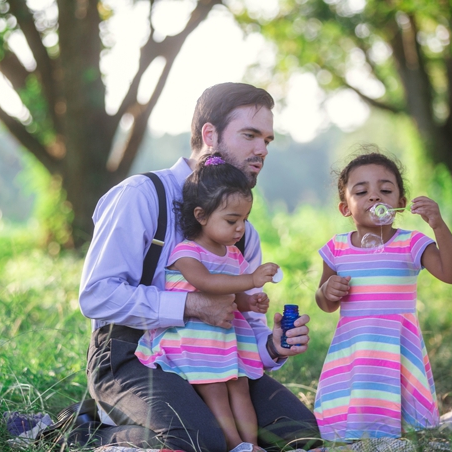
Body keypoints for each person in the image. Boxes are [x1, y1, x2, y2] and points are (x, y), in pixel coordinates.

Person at [77, 82, 316, 452]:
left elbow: (245, 327)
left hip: (220, 358)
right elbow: (96, 295)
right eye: (249, 135)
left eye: (267, 139)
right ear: (210, 134)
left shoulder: (241, 231)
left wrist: (274, 346)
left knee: (299, 433)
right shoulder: (141, 196)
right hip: (134, 355)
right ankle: (83, 432)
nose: (261, 150)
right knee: (200, 441)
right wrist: (189, 306)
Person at [312, 151, 452, 440]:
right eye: (361, 191)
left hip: (397, 348)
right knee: (352, 420)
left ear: (401, 204)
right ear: (345, 208)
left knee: (405, 427)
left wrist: (438, 224)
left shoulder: (411, 243)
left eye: (385, 190)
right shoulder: (336, 248)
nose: (374, 197)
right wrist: (327, 290)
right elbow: (325, 303)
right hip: (354, 351)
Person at [132, 156, 281, 447]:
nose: (240, 229)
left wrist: (250, 303)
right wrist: (251, 280)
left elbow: (232, 295)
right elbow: (207, 284)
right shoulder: (187, 253)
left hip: (226, 337)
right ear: (201, 215)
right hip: (195, 340)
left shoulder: (233, 255)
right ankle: (231, 442)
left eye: (244, 220)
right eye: (231, 220)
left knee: (240, 389)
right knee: (215, 392)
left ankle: (249, 444)